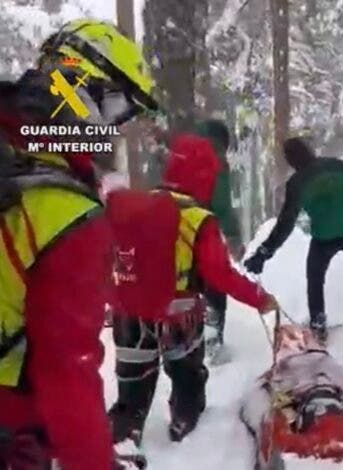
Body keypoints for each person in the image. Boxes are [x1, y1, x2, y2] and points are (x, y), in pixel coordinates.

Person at [0, 19, 158, 470]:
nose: (114, 130)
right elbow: (67, 374)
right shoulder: (64, 211)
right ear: (85, 92)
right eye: (119, 113)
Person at [107, 134, 279, 447]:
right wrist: (260, 298)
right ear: (203, 177)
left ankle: (124, 434)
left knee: (132, 383)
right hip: (178, 315)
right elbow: (220, 274)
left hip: (128, 312)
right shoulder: (198, 219)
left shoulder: (137, 207)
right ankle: (185, 425)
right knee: (187, 376)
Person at [244, 137, 343, 342]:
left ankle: (318, 323)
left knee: (315, 277)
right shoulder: (335, 165)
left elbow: (285, 224)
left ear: (291, 161)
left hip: (323, 237)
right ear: (309, 150)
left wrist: (264, 253)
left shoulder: (297, 184)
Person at [194, 119, 242, 358]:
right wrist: (233, 236)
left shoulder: (180, 152)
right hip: (201, 224)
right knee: (215, 280)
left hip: (170, 222)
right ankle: (212, 338)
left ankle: (180, 340)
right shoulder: (216, 159)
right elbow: (221, 202)